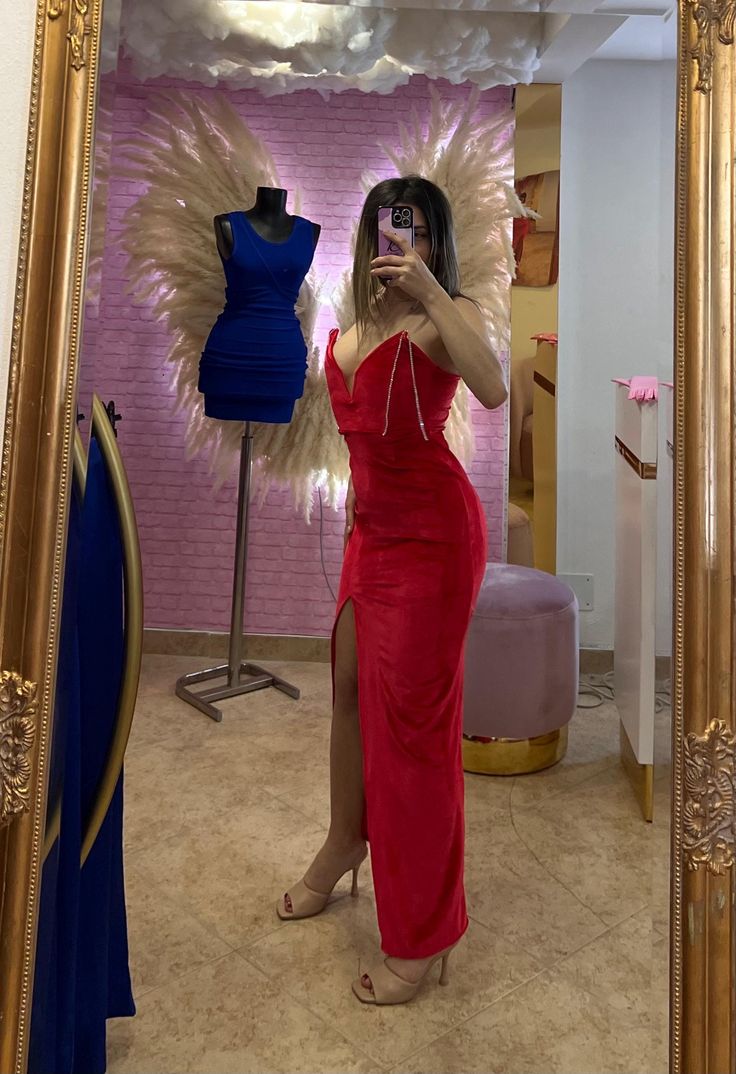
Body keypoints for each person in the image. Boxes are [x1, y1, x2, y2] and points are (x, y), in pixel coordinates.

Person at [277, 176, 507, 1005]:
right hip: (369, 535)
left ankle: (425, 931)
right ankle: (345, 846)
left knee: (411, 731)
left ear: (437, 240)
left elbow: (492, 386)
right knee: (344, 691)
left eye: (415, 228)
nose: (398, 240)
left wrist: (435, 293)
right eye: (385, 224)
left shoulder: (446, 319)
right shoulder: (358, 328)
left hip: (436, 544)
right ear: (368, 235)